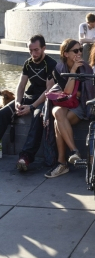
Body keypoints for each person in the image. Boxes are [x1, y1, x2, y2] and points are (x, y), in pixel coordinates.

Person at [0, 35, 56, 171]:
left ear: (44, 48)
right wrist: (18, 103)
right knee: (3, 112)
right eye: (30, 50)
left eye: (36, 50)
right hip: (29, 96)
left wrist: (32, 107)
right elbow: (21, 86)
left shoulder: (51, 64)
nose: (33, 54)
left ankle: (26, 157)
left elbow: (48, 90)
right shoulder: (28, 63)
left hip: (43, 99)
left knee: (38, 116)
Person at [44, 39, 95, 179]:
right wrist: (73, 71)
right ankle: (74, 151)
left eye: (80, 50)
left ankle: (62, 163)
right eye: (75, 51)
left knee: (57, 122)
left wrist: (75, 92)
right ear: (66, 54)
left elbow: (83, 94)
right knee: (58, 113)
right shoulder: (59, 69)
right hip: (64, 104)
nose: (79, 53)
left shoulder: (86, 68)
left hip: (80, 106)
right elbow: (67, 93)